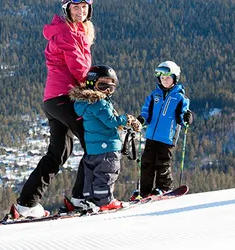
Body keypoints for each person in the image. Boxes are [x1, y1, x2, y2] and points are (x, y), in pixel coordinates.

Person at [10, 0, 96, 219]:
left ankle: (27, 204)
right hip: (64, 98)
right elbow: (79, 69)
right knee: (94, 142)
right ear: (67, 9)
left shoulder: (76, 31)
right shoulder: (67, 33)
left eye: (84, 7)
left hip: (54, 100)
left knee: (58, 153)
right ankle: (82, 198)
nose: (81, 11)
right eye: (76, 7)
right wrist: (98, 87)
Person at [72, 65, 142, 211]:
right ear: (92, 84)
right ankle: (105, 201)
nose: (108, 91)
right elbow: (111, 121)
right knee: (107, 173)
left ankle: (90, 199)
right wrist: (126, 119)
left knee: (91, 174)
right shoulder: (100, 103)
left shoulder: (84, 103)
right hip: (107, 146)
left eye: (111, 87)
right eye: (103, 86)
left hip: (92, 149)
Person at [134, 60, 193, 199]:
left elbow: (182, 114)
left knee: (162, 163)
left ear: (175, 78)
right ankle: (144, 191)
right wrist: (142, 119)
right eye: (162, 78)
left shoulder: (180, 98)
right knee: (147, 162)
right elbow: (145, 112)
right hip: (151, 135)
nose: (164, 80)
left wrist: (186, 117)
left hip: (167, 137)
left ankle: (164, 187)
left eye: (167, 77)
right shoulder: (154, 95)